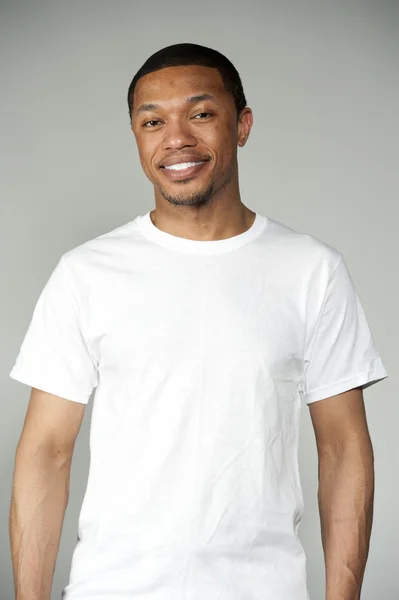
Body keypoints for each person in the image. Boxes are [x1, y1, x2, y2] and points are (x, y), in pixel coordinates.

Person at [9, 42, 388, 600]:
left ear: (243, 125)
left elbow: (343, 447)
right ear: (137, 138)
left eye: (202, 113)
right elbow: (46, 449)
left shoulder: (313, 270)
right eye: (153, 121)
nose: (177, 138)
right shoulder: (85, 274)